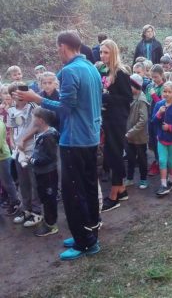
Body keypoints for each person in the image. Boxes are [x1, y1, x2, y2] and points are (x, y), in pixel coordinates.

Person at [17, 30, 102, 261]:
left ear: (63, 46)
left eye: (57, 48)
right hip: (91, 137)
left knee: (73, 193)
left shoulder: (70, 71)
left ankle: (85, 243)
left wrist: (37, 99)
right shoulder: (92, 68)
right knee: (88, 189)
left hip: (74, 140)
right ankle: (89, 233)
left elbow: (65, 108)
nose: (58, 52)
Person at [98, 39, 133, 212]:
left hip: (117, 118)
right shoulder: (102, 70)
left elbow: (128, 98)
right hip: (105, 116)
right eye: (101, 52)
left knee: (115, 153)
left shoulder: (121, 72)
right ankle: (122, 190)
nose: (103, 55)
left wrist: (107, 98)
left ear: (113, 53)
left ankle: (114, 194)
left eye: (106, 52)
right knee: (110, 153)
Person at [8, 82, 42, 227]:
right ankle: (26, 209)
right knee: (23, 182)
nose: (19, 95)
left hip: (31, 150)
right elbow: (11, 130)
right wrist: (13, 144)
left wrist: (23, 140)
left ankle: (36, 211)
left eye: (21, 92)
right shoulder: (11, 110)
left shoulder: (33, 107)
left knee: (33, 181)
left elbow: (36, 126)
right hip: (18, 152)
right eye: (15, 93)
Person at [28, 107, 59, 237]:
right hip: (42, 173)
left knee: (49, 199)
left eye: (34, 117)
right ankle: (48, 221)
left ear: (40, 120)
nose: (32, 119)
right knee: (45, 197)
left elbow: (50, 157)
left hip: (48, 173)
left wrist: (32, 160)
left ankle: (51, 225)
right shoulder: (42, 134)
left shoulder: (48, 135)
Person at [125, 74, 149, 189]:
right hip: (129, 135)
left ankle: (143, 179)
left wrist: (130, 132)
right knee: (130, 158)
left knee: (142, 158)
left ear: (136, 86)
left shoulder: (141, 100)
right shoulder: (131, 97)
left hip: (139, 136)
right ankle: (129, 178)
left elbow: (143, 120)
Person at [145, 64, 165, 176]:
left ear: (161, 75)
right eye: (152, 77)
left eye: (156, 77)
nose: (154, 79)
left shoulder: (163, 87)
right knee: (152, 140)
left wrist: (153, 95)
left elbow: (162, 104)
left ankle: (160, 162)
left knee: (159, 140)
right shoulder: (150, 85)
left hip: (160, 118)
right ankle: (157, 160)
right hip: (150, 116)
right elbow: (147, 100)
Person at [0, 118, 20, 216]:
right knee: (5, 182)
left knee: (7, 182)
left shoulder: (0, 124)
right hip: (2, 156)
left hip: (3, 157)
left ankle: (15, 202)